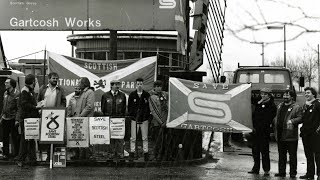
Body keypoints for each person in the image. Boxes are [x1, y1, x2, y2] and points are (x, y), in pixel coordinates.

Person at [37, 72, 66, 160]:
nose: (55, 80)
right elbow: (38, 99)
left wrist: (61, 110)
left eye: (57, 78)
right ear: (49, 79)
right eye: (53, 78)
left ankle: (55, 156)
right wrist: (39, 109)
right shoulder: (43, 88)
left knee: (56, 136)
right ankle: (48, 155)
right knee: (47, 136)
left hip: (57, 116)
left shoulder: (60, 89)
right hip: (45, 115)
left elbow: (63, 101)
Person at [273, 90, 302, 178]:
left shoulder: (296, 107)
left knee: (292, 156)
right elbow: (277, 116)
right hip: (280, 134)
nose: (285, 97)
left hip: (290, 135)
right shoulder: (280, 106)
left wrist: (292, 121)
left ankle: (293, 173)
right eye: (284, 95)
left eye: (287, 95)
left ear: (292, 97)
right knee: (281, 155)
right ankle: (281, 172)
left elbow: (301, 118)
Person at [248, 87, 277, 176]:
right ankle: (256, 168)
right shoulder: (259, 103)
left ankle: (266, 169)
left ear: (269, 95)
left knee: (264, 151)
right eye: (262, 94)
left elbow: (268, 118)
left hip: (264, 131)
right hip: (256, 131)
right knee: (255, 150)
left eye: (265, 94)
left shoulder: (272, 105)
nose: (263, 95)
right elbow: (254, 115)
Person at [15, 74, 40, 167]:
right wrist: (36, 107)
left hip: (30, 119)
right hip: (27, 119)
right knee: (25, 140)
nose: (36, 83)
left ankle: (32, 159)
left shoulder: (29, 90)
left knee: (31, 139)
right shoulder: (25, 91)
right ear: (33, 82)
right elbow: (24, 105)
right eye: (35, 81)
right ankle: (21, 159)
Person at [101, 79, 126, 160]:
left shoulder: (122, 95)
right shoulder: (105, 95)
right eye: (116, 84)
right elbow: (103, 108)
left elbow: (124, 108)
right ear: (111, 85)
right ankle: (111, 153)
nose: (118, 86)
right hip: (109, 119)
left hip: (119, 119)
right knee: (110, 137)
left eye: (118, 84)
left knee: (119, 137)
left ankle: (119, 153)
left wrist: (121, 116)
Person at [128, 78, 151, 161]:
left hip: (144, 119)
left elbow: (149, 107)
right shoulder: (132, 95)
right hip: (134, 119)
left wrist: (146, 116)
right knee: (133, 138)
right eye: (138, 84)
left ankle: (146, 153)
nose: (139, 85)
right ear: (136, 85)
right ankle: (132, 152)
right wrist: (132, 116)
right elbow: (129, 107)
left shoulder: (146, 95)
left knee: (145, 137)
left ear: (143, 84)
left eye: (141, 83)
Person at [299, 87, 320, 180]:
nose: (306, 94)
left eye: (308, 93)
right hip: (306, 134)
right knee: (308, 155)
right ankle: (310, 174)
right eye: (305, 93)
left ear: (313, 94)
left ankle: (319, 174)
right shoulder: (305, 105)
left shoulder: (318, 104)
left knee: (318, 155)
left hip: (315, 135)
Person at [149, 80, 168, 161]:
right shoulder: (152, 97)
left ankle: (164, 155)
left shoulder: (164, 94)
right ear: (154, 87)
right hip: (157, 123)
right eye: (157, 87)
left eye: (160, 86)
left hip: (166, 121)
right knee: (157, 140)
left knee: (165, 140)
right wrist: (161, 122)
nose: (159, 88)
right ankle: (156, 156)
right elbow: (154, 111)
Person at [0, 78, 19, 160]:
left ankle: (16, 154)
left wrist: (17, 119)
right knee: (5, 137)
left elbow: (18, 108)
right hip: (5, 118)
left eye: (7, 83)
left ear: (11, 84)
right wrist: (1, 116)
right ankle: (5, 154)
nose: (5, 84)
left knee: (15, 137)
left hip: (13, 118)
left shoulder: (17, 94)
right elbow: (4, 105)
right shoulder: (5, 93)